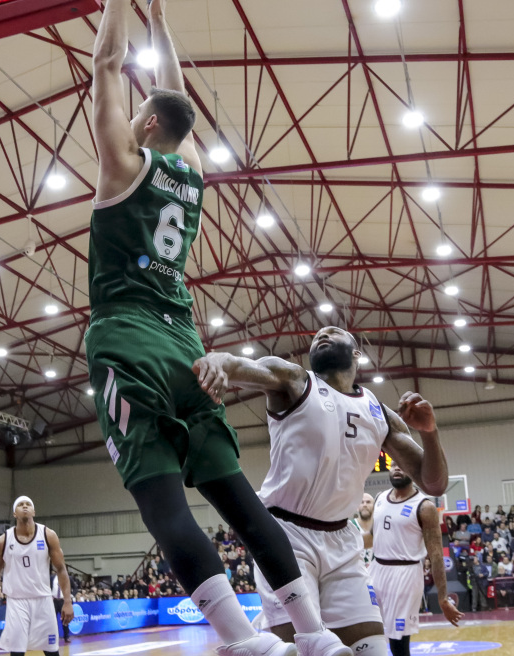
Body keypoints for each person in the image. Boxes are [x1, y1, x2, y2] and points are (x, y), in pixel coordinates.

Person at [86, 2, 342, 655]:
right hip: (186, 345)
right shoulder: (193, 172)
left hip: (128, 339)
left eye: (141, 111)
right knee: (238, 500)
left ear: (148, 122)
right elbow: (177, 97)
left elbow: (105, 62)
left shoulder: (122, 163)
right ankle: (313, 634)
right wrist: (160, 20)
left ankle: (241, 639)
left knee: (161, 502)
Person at [193, 328, 450, 656]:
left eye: (334, 332)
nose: (322, 334)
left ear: (356, 353)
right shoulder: (295, 379)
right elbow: (240, 365)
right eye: (317, 335)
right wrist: (218, 362)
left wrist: (429, 432)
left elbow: (434, 483)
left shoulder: (378, 411)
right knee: (298, 648)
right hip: (287, 536)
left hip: (343, 541)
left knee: (373, 648)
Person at [370, 466, 463, 656]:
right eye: (393, 464)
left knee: (398, 643)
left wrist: (443, 598)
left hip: (404, 575)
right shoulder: (379, 497)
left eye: (402, 465)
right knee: (366, 631)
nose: (397, 468)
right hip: (375, 569)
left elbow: (436, 555)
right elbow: (373, 537)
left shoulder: (424, 507)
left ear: (413, 471)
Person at [0, 497, 73, 656]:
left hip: (43, 599)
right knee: (17, 652)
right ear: (14, 513)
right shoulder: (2, 541)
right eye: (20, 505)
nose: (25, 506)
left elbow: (61, 569)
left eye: (28, 504)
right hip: (17, 601)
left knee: (52, 652)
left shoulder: (48, 535)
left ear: (34, 511)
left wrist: (67, 601)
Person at [352, 494, 376, 570]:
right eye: (361, 502)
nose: (365, 505)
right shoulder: (349, 527)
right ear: (356, 507)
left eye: (368, 502)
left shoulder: (379, 526)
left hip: (376, 573)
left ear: (375, 507)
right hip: (355, 572)